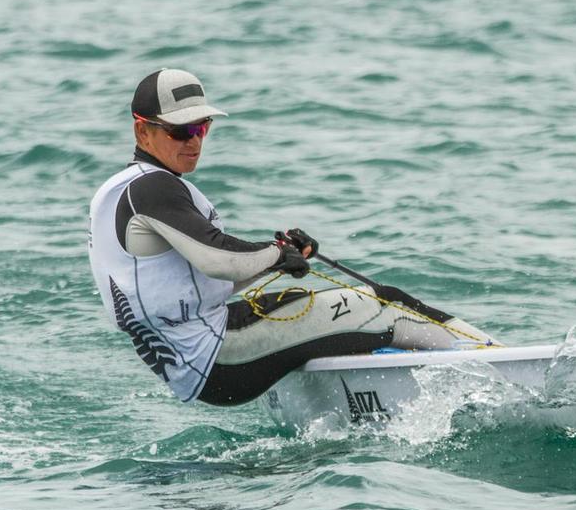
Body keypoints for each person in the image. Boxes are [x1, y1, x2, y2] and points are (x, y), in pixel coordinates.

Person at [88, 69, 496, 406]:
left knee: (332, 312)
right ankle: (501, 368)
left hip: (196, 364)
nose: (194, 140)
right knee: (386, 305)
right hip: (220, 356)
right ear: (143, 133)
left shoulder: (116, 193)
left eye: (202, 127)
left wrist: (280, 261)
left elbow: (203, 282)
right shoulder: (154, 188)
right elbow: (219, 259)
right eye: (181, 131)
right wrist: (276, 253)